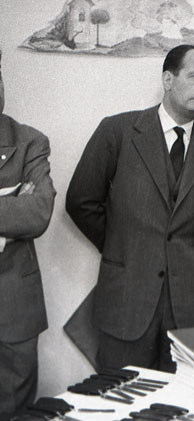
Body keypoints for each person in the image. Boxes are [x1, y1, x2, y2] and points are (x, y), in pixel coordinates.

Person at [66, 44, 194, 372]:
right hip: (126, 300)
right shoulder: (117, 131)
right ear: (168, 79)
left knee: (181, 397)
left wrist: (181, 254)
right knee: (119, 391)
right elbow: (81, 201)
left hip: (189, 308)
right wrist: (124, 246)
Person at [0, 48, 56, 418]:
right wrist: (11, 206)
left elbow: (39, 213)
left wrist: (26, 207)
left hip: (13, 311)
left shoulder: (30, 141)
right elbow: (22, 212)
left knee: (15, 412)